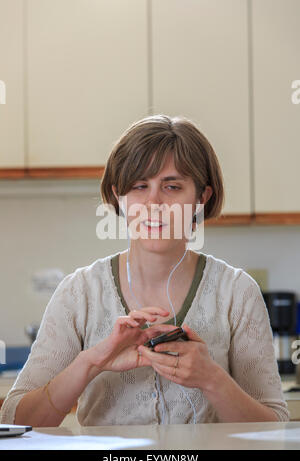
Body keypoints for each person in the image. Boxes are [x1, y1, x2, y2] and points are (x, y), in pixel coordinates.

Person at [0, 115, 289, 427]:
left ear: (201, 198)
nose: (153, 203)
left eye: (172, 186)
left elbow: (275, 430)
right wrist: (91, 362)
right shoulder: (78, 293)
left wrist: (213, 380)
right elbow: (16, 420)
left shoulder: (237, 293)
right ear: (119, 197)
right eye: (139, 186)